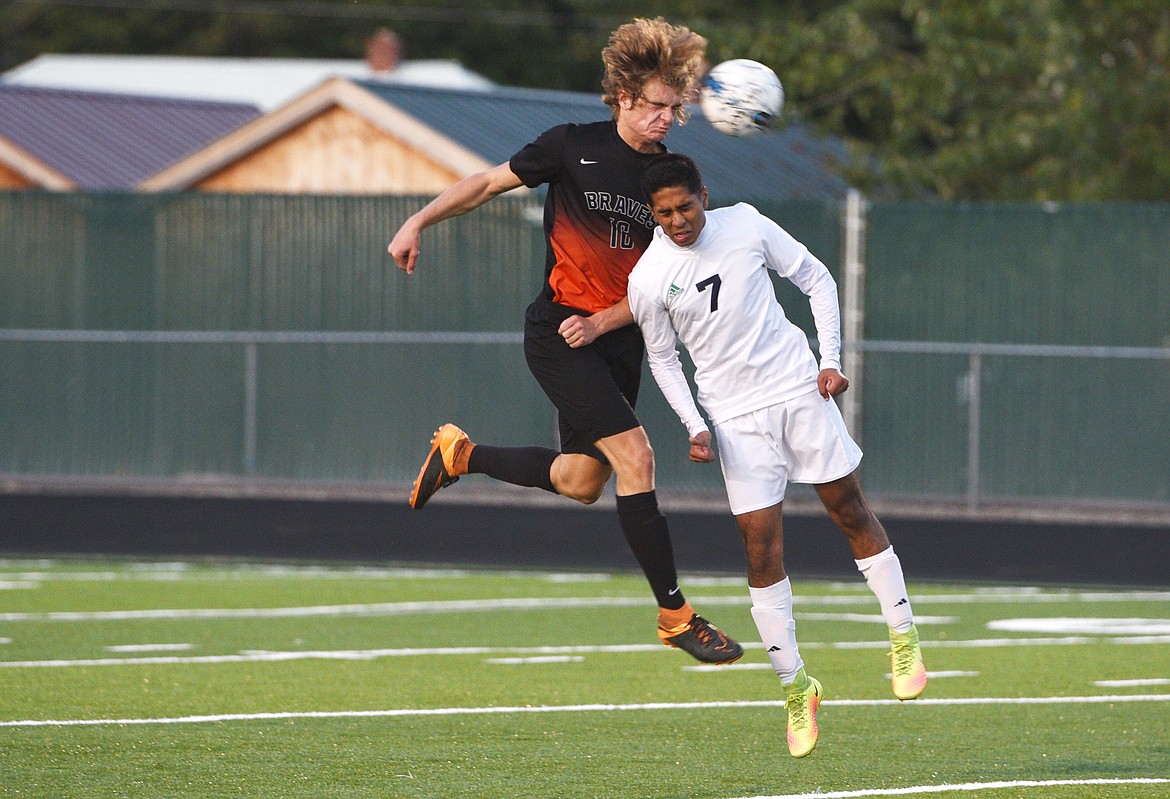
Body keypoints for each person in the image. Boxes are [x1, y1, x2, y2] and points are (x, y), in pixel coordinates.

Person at [387, 19, 742, 665]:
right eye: (657, 105)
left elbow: (677, 280)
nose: (667, 117)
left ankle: (460, 453)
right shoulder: (571, 146)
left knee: (581, 481)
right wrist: (417, 219)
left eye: (675, 108)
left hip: (618, 339)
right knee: (638, 460)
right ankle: (675, 615)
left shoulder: (671, 179)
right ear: (625, 95)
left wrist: (621, 319)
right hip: (560, 331)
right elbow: (486, 184)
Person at [623, 153, 928, 758]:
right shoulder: (648, 278)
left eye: (685, 206)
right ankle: (797, 688)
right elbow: (662, 358)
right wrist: (694, 423)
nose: (678, 220)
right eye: (664, 214)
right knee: (760, 548)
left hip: (797, 389)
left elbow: (818, 279)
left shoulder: (747, 223)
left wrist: (830, 361)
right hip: (735, 420)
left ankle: (903, 634)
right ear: (652, 216)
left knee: (849, 511)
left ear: (703, 195)